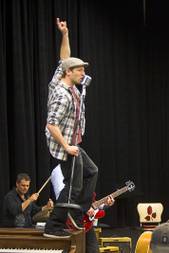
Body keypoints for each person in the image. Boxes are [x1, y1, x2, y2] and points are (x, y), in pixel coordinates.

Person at [43, 18, 98, 239]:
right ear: (69, 73)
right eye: (79, 70)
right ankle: (53, 225)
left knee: (92, 171)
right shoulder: (61, 95)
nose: (83, 73)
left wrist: (65, 34)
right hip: (64, 145)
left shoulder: (64, 78)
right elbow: (51, 124)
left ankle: (77, 211)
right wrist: (66, 146)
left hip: (72, 143)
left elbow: (64, 58)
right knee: (73, 187)